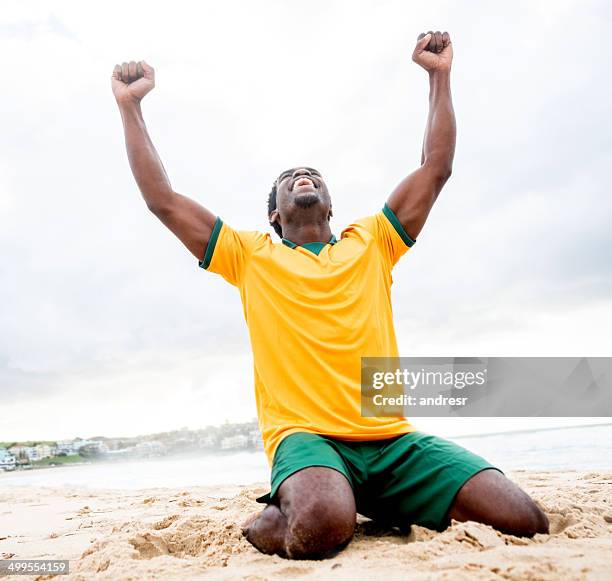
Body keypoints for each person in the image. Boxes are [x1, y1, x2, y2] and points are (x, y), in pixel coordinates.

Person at [112, 30, 549, 560]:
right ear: (274, 213)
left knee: (525, 520)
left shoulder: (373, 242)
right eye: (288, 178)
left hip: (393, 440)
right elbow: (163, 201)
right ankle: (280, 513)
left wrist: (439, 76)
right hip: (307, 437)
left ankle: (381, 497)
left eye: (312, 173)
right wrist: (131, 109)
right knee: (321, 524)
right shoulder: (249, 255)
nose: (302, 174)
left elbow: (436, 168)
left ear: (330, 205)